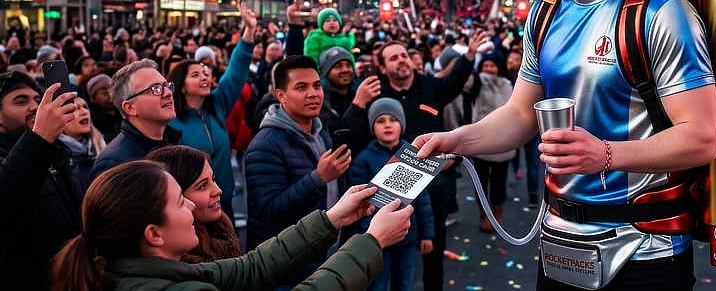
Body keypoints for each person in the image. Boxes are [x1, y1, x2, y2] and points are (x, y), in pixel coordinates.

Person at [414, 0, 716, 290]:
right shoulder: (546, 9)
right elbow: (521, 114)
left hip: (644, 252)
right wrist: (456, 140)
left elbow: (701, 137)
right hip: (558, 243)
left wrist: (606, 155)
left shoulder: (660, 10)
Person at [49, 160, 415, 291]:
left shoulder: (155, 271)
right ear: (154, 234)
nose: (192, 205)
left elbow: (249, 268)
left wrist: (332, 217)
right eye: (179, 201)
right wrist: (371, 240)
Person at [375, 38, 480, 291]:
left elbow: (454, 82)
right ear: (382, 67)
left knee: (434, 247)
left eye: (403, 55)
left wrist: (469, 56)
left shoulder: (429, 85)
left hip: (433, 184)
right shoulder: (376, 93)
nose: (401, 60)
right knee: (392, 253)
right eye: (393, 58)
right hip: (394, 186)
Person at [245, 55, 350, 284]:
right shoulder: (265, 145)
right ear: (281, 95)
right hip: (288, 266)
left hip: (324, 252)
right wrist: (318, 178)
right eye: (301, 87)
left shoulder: (321, 132)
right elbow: (269, 212)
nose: (313, 94)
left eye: (317, 86)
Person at [167, 2, 256, 219]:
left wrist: (249, 30)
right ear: (181, 85)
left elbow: (236, 72)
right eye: (195, 75)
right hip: (190, 209)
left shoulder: (216, 105)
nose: (204, 77)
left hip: (223, 200)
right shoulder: (169, 120)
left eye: (206, 73)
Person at [0, 77, 84, 290]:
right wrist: (39, 138)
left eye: (37, 100)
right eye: (21, 101)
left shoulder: (56, 151)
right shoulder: (38, 146)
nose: (34, 107)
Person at [345, 98, 435, 291]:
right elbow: (359, 205)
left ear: (402, 125)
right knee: (377, 285)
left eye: (393, 120)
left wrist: (427, 234)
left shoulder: (414, 157)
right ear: (372, 127)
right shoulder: (364, 160)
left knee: (404, 284)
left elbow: (423, 199)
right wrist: (367, 236)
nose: (387, 125)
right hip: (378, 239)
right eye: (380, 121)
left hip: (408, 237)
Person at [445, 55, 516, 233]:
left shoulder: (508, 85)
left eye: (492, 65)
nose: (489, 69)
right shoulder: (477, 83)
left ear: (499, 67)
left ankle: (497, 211)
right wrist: (467, 58)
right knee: (480, 182)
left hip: (503, 144)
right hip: (482, 143)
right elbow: (463, 81)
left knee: (499, 183)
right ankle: (484, 213)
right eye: (485, 65)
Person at [146, 145, 240, 263]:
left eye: (213, 179)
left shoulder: (221, 230)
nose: (218, 190)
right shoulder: (179, 260)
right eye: (202, 186)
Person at [90, 60, 182, 181]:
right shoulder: (115, 165)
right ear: (130, 108)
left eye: (167, 86)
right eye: (155, 89)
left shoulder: (174, 142)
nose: (168, 93)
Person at [60, 95, 106, 183]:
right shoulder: (57, 158)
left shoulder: (102, 146)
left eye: (85, 107)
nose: (84, 112)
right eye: (74, 109)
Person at [85, 73, 120, 141]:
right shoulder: (91, 120)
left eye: (112, 91)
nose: (110, 96)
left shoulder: (123, 113)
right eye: (104, 93)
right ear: (93, 98)